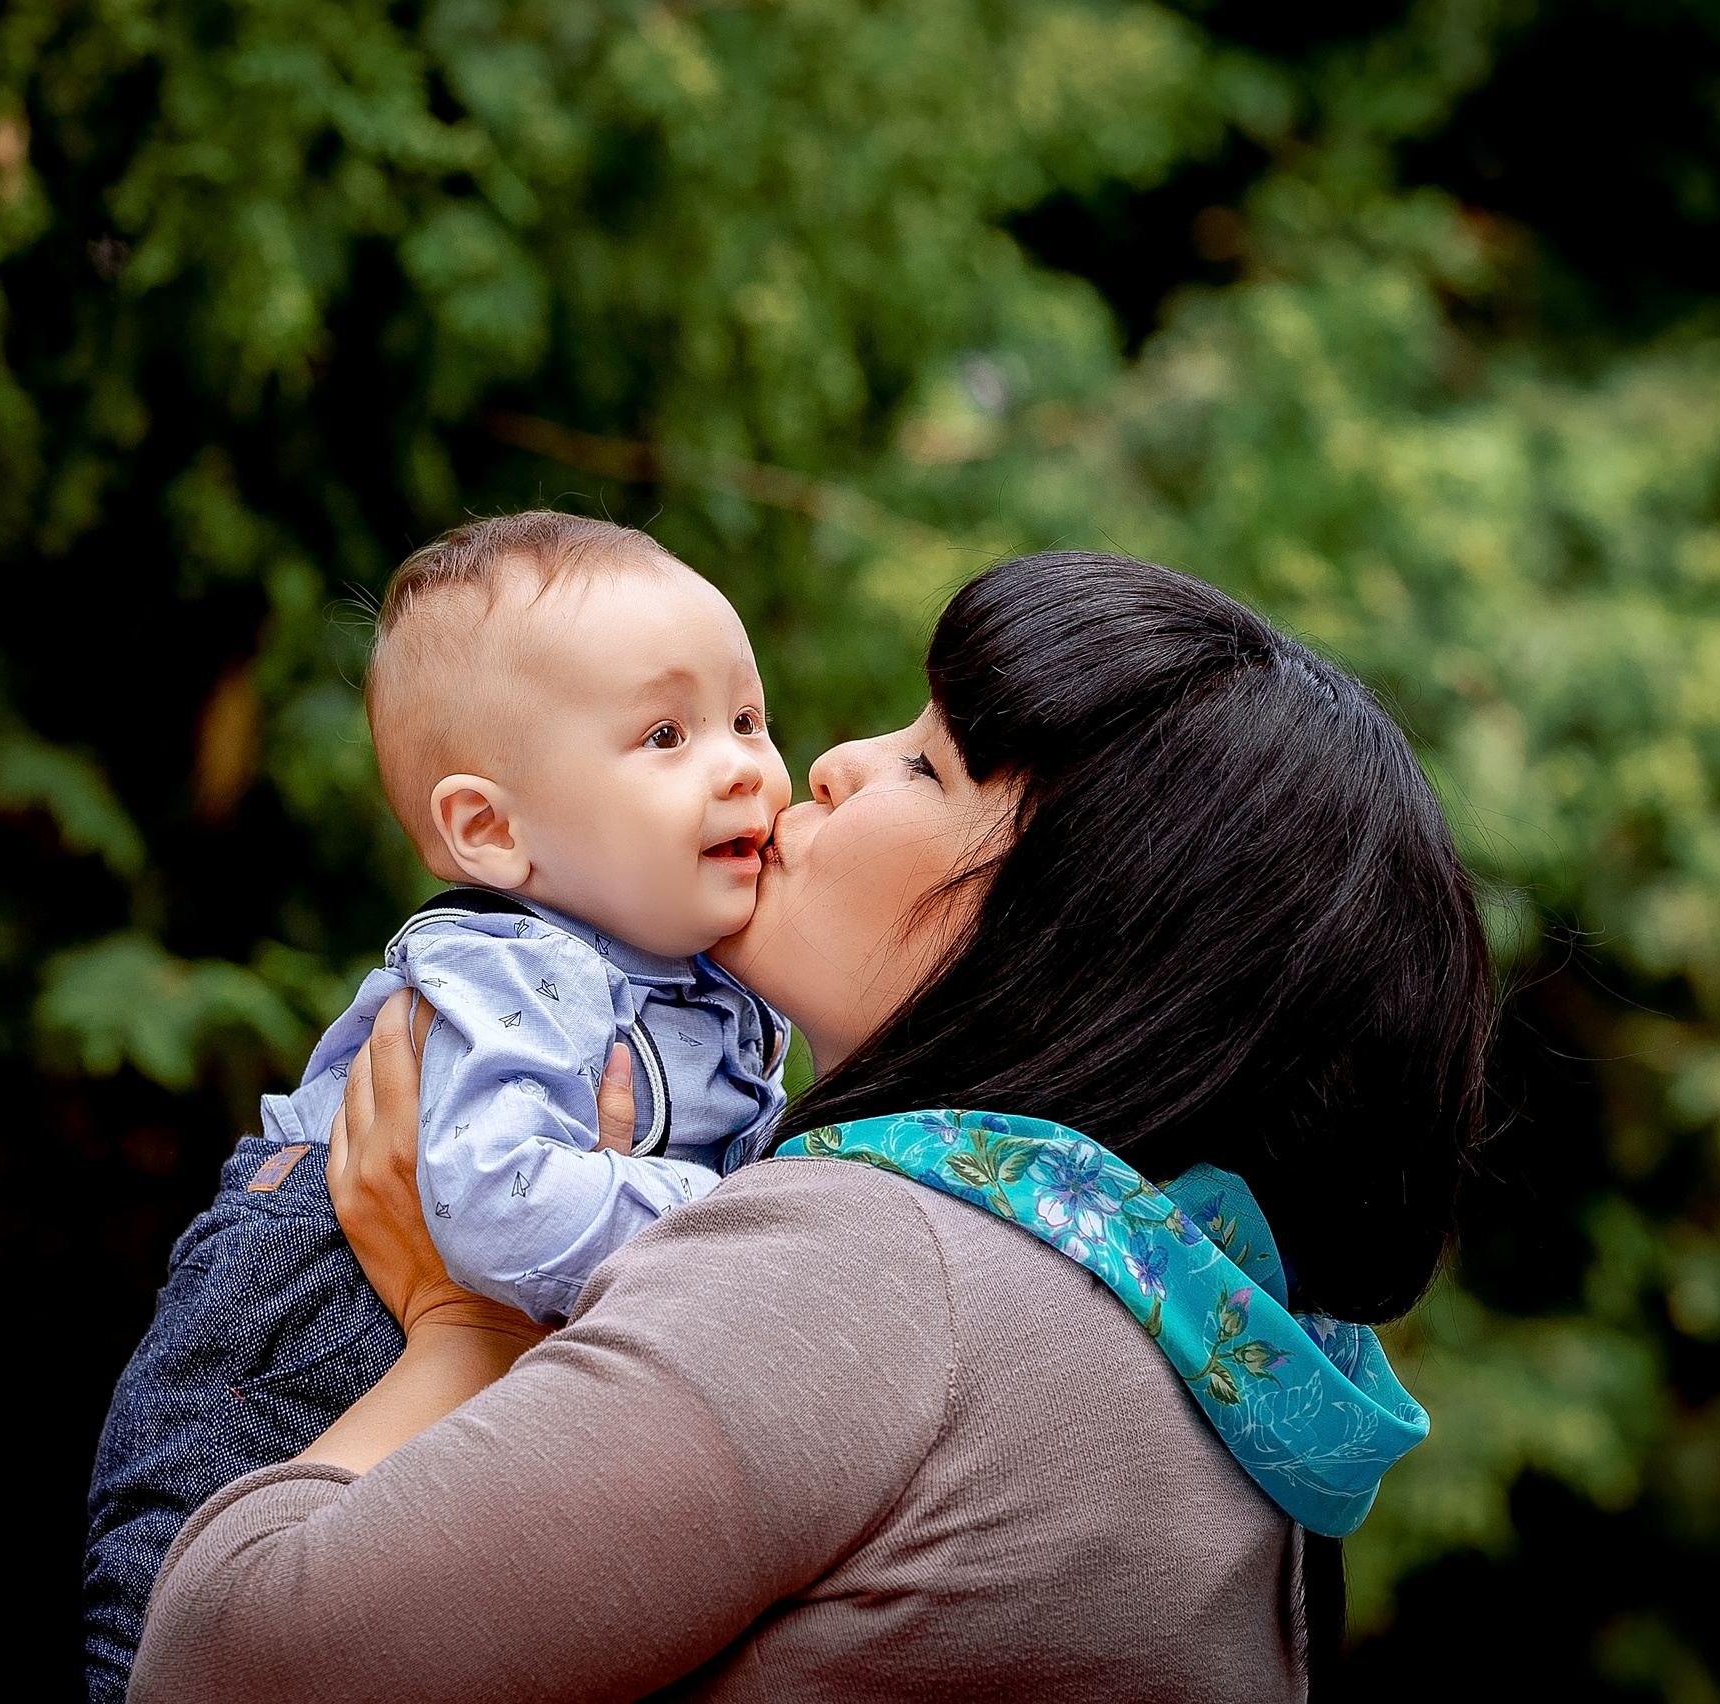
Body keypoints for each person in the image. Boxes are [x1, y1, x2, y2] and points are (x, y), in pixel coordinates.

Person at [127, 552, 1493, 1702]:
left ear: (1078, 931)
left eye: (928, 765)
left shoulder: (884, 1270)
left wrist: (463, 1329)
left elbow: (216, 1665)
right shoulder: (1200, 1348)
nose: (825, 764)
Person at [83, 514, 794, 1699]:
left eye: (748, 718)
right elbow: (501, 1211)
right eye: (666, 733)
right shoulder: (514, 970)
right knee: (158, 1638)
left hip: (438, 1344)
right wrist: (729, 1210)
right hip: (294, 1338)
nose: (744, 766)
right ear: (489, 831)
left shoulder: (710, 989)